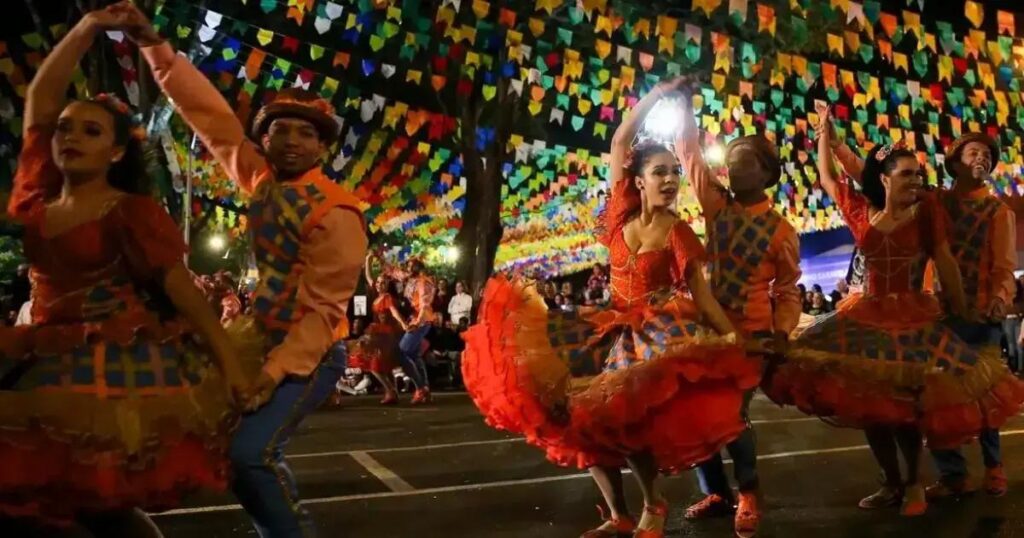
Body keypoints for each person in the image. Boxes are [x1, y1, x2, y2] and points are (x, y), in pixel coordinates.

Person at [462, 77, 758, 538]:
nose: (669, 180)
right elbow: (622, 138)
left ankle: (653, 504)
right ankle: (617, 513)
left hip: (654, 334)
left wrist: (729, 334)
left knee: (629, 422)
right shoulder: (619, 215)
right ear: (638, 181)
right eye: (659, 172)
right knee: (576, 421)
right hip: (607, 327)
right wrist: (659, 95)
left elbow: (701, 293)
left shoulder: (680, 234)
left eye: (673, 173)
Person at [0, 3, 249, 533]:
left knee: (104, 503)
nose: (69, 136)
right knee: (46, 499)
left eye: (90, 132)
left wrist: (231, 367)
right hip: (47, 355)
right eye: (66, 129)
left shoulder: (130, 211)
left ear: (116, 154)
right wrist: (88, 27)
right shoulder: (38, 200)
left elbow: (181, 290)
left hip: (114, 370)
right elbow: (42, 103)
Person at [124, 4, 368, 536]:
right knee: (216, 448)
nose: (290, 140)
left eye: (305, 135)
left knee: (249, 454)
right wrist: (153, 45)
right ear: (265, 139)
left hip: (310, 353)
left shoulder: (337, 212)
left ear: (323, 149)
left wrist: (272, 373)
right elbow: (209, 117)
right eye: (280, 130)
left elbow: (324, 313)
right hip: (256, 336)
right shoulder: (261, 181)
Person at [766, 105, 1024, 517]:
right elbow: (833, 177)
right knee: (872, 407)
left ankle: (921, 483)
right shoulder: (863, 213)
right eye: (907, 174)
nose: (917, 180)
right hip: (864, 316)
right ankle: (893, 482)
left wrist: (967, 305)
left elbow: (947, 261)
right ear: (885, 180)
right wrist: (823, 134)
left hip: (916, 317)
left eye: (919, 174)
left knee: (921, 406)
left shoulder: (931, 212)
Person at [675, 82, 802, 537]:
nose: (732, 163)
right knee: (695, 410)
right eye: (730, 156)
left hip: (751, 335)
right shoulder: (716, 208)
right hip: (703, 327)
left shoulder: (782, 231)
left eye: (745, 157)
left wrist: (783, 330)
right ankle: (715, 491)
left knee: (731, 414)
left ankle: (748, 491)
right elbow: (689, 156)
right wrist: (684, 109)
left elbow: (788, 290)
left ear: (766, 171)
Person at [926, 133, 1018, 499]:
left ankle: (994, 467)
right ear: (955, 161)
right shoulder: (936, 204)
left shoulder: (998, 211)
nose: (981, 158)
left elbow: (1004, 265)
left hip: (981, 316)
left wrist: (1000, 297)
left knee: (984, 396)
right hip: (937, 315)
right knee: (937, 398)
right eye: (973, 152)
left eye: (987, 155)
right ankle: (953, 474)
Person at [384, 258, 436, 404]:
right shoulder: (409, 278)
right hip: (414, 320)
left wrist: (417, 322)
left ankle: (420, 388)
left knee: (401, 352)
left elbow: (424, 305)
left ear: (419, 267)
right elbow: (394, 272)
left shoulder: (423, 282)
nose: (408, 267)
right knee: (414, 355)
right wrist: (378, 257)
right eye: (407, 265)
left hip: (421, 321)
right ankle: (425, 390)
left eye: (411, 265)